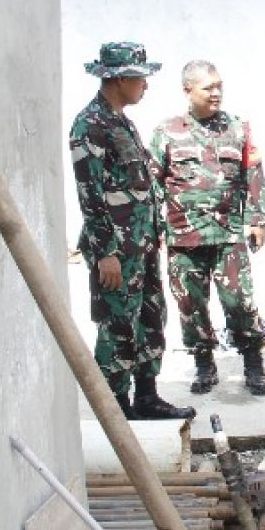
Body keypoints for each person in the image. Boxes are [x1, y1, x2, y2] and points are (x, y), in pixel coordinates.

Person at [69, 42, 195, 420]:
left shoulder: (121, 121)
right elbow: (90, 193)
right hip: (117, 250)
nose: (145, 85)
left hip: (140, 244)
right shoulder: (90, 125)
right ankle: (116, 409)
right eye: (139, 78)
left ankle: (147, 397)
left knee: (149, 319)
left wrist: (156, 231)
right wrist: (105, 252)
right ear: (119, 79)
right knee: (118, 326)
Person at [149, 60, 265, 397]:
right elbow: (153, 183)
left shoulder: (238, 128)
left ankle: (253, 363)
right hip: (183, 236)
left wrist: (257, 220)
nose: (216, 92)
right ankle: (204, 363)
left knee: (240, 302)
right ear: (188, 90)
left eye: (219, 86)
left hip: (228, 234)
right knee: (190, 305)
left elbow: (253, 175)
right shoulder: (167, 132)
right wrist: (155, 228)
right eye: (208, 87)